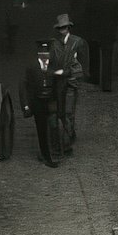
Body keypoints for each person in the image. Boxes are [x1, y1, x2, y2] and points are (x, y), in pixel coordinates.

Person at [49, 13, 88, 152]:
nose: (63, 30)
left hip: (71, 81)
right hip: (59, 82)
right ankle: (68, 135)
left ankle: (67, 141)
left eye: (65, 27)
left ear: (69, 27)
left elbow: (84, 62)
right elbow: (52, 62)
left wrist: (76, 75)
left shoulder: (78, 42)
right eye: (61, 28)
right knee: (60, 110)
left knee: (69, 111)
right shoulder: (54, 44)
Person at [22, 40, 63, 167]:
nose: (45, 56)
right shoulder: (31, 68)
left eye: (47, 53)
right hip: (38, 102)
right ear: (38, 54)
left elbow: (58, 85)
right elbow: (24, 86)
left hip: (50, 101)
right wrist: (26, 104)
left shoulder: (54, 66)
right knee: (41, 129)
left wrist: (58, 101)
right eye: (42, 54)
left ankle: (54, 152)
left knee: (53, 125)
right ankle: (46, 156)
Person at [83, 0, 118, 92]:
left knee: (94, 56)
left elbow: (83, 16)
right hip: (108, 32)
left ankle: (94, 78)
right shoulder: (113, 0)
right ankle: (106, 84)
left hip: (93, 32)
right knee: (107, 58)